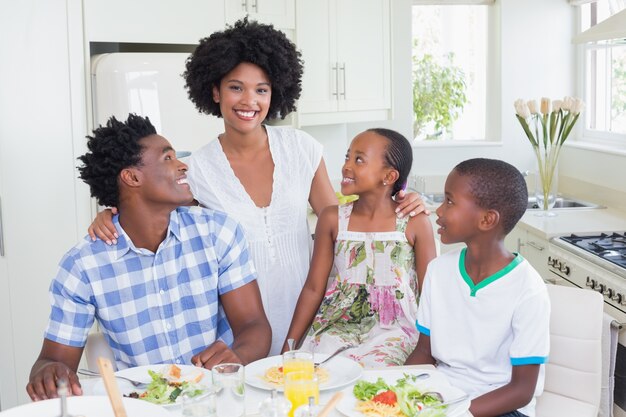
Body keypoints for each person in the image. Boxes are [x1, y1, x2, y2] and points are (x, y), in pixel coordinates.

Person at [87, 18, 426, 356]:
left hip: (316, 317)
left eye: (261, 89)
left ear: (275, 92)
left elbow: (345, 223)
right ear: (215, 91)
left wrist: (399, 200)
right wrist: (111, 213)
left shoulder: (301, 148)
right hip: (241, 323)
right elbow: (155, 218)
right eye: (236, 87)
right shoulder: (197, 170)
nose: (249, 100)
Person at [26, 114, 271, 401]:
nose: (183, 165)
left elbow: (255, 326)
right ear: (132, 177)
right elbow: (52, 361)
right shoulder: (83, 267)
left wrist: (236, 356)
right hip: (143, 407)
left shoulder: (218, 232)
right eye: (167, 158)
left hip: (218, 398)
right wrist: (48, 373)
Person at [405, 158, 550, 417]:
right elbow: (424, 352)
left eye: (449, 201)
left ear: (486, 220)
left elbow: (522, 390)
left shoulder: (529, 289)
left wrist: (454, 413)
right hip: (444, 395)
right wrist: (398, 392)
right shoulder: (439, 271)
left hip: (503, 407)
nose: (438, 210)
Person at [283, 128, 436, 367]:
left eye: (359, 159)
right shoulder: (332, 218)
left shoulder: (416, 222)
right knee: (316, 369)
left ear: (389, 176)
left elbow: (431, 294)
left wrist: (433, 351)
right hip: (337, 325)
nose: (346, 166)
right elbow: (314, 288)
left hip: (396, 330)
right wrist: (289, 347)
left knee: (375, 374)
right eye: (347, 157)